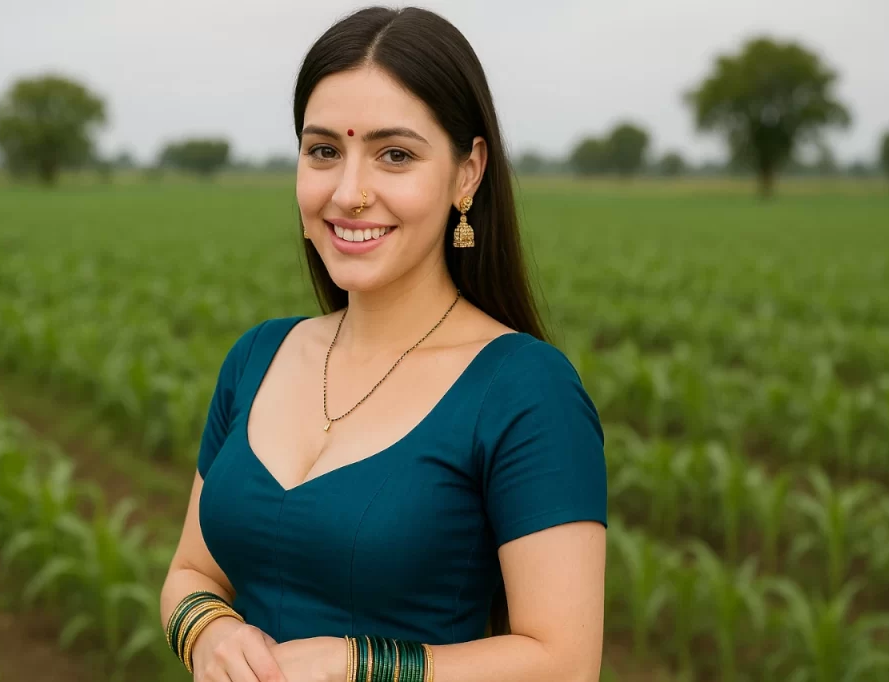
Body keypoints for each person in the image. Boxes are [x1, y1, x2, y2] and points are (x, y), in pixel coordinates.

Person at [159, 6, 607, 681]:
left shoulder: (525, 389)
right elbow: (191, 572)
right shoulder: (257, 358)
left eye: (394, 154)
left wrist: (356, 664)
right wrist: (209, 632)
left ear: (467, 172)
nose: (349, 193)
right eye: (323, 152)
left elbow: (564, 664)